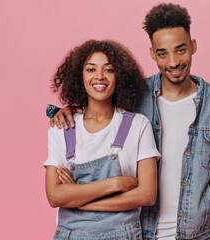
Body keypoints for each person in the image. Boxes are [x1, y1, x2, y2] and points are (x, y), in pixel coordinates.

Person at [49, 3, 210, 240]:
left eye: (180, 50)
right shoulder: (136, 95)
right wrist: (70, 110)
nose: (173, 62)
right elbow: (101, 108)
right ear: (152, 53)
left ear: (193, 46)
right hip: (140, 230)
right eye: (163, 53)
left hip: (195, 232)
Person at [44, 40, 160, 240]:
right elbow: (55, 196)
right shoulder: (62, 128)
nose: (99, 76)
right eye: (91, 69)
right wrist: (114, 184)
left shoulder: (138, 126)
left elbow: (147, 195)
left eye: (109, 70)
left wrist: (78, 199)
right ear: (80, 76)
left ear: (120, 77)